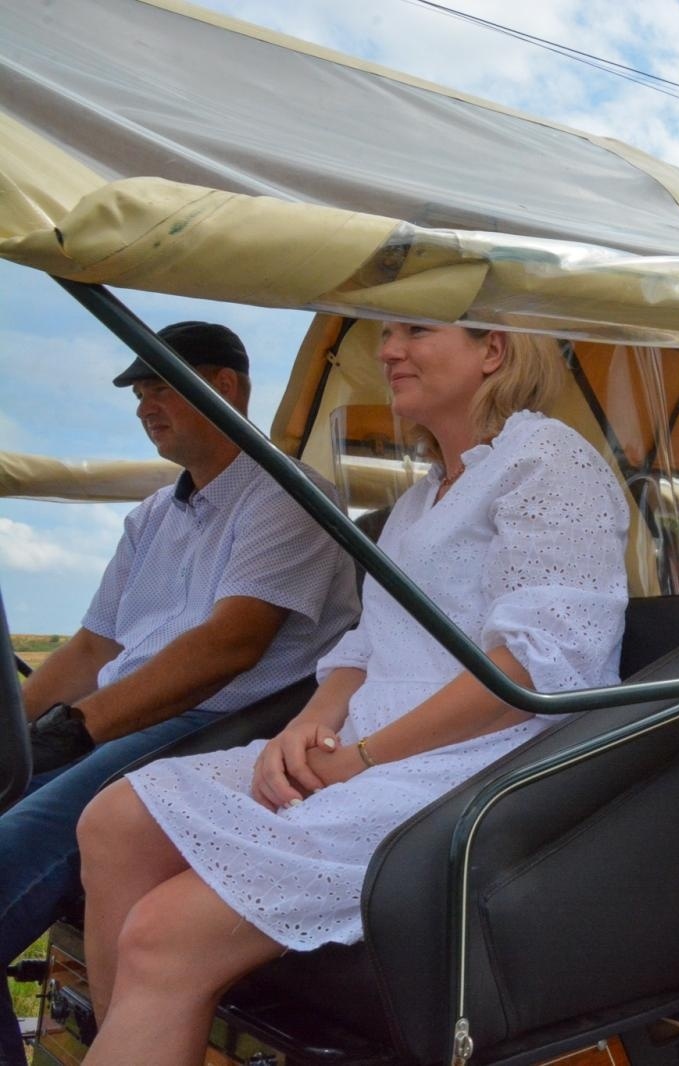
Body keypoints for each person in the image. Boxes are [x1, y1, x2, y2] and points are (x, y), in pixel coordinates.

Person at [73, 323, 631, 1064]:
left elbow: (534, 667)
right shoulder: (423, 497)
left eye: (416, 331)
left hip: (474, 764)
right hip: (369, 744)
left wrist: (363, 758)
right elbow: (367, 647)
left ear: (492, 351)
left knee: (162, 936)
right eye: (387, 334)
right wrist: (304, 729)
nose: (388, 350)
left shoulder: (547, 459)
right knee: (115, 818)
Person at [0, 322, 359, 1066]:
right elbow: (92, 649)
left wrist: (74, 730)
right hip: (121, 719)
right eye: (138, 392)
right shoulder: (152, 517)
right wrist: (14, 732)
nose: (144, 406)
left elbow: (230, 646)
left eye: (160, 386)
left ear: (224, 386)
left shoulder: (288, 495)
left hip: (216, 724)